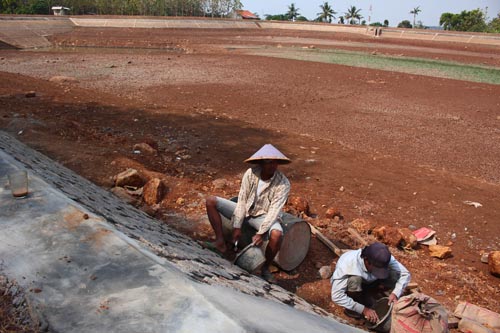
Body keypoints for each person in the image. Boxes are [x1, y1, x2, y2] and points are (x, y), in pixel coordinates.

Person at [204, 144, 291, 283]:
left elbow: (274, 210)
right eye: (268, 162)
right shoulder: (250, 174)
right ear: (261, 163)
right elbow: (242, 200)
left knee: (277, 234)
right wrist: (237, 226)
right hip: (246, 211)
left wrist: (261, 232)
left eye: (275, 162)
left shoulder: (283, 183)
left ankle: (265, 268)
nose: (272, 165)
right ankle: (220, 242)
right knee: (211, 201)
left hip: (264, 216)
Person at [330, 242, 411, 323]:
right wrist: (363, 309)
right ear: (367, 261)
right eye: (377, 269)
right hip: (354, 284)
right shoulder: (348, 264)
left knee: (394, 275)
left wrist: (395, 293)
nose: (379, 272)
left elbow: (405, 274)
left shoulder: (383, 258)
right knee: (354, 280)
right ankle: (354, 304)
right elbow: (336, 296)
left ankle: (369, 293)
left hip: (370, 283)